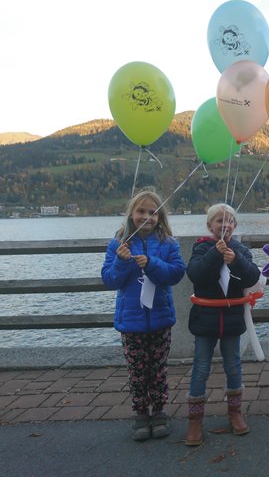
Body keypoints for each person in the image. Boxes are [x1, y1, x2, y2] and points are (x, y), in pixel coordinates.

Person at [101, 188, 186, 441]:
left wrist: (151, 263)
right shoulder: (118, 243)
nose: (146, 217)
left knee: (158, 369)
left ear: (160, 217)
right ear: (131, 213)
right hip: (131, 322)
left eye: (153, 212)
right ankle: (140, 413)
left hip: (160, 319)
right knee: (137, 371)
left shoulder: (168, 244)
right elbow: (109, 280)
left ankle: (159, 411)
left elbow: (176, 273)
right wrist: (122, 261)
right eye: (141, 211)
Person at [184, 204, 261, 446]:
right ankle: (195, 420)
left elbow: (252, 277)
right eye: (219, 221)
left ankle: (235, 413)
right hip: (204, 319)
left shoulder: (241, 250)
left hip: (231, 319)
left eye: (229, 221)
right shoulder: (201, 247)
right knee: (201, 367)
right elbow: (196, 274)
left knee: (233, 366)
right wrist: (215, 255)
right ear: (210, 226)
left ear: (235, 226)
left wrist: (236, 261)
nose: (225, 225)